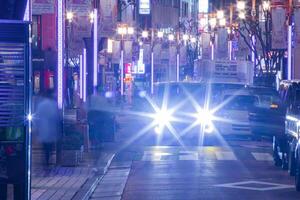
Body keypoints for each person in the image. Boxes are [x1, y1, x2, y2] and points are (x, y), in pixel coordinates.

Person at [34, 90, 60, 167]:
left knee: (45, 146)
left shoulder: (41, 104)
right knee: (49, 145)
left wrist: (37, 128)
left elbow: (37, 117)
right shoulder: (53, 104)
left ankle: (46, 160)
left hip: (44, 128)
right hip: (51, 129)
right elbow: (56, 117)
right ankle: (48, 160)